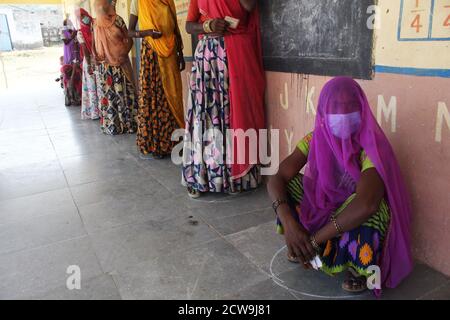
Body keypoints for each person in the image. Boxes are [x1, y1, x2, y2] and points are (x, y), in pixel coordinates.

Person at [267, 77, 413, 294]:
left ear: (361, 109)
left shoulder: (371, 147)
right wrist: (289, 224)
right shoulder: (315, 139)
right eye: (336, 108)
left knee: (374, 209)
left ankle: (354, 266)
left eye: (350, 107)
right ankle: (298, 242)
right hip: (323, 208)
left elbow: (366, 204)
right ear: (324, 112)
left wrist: (315, 240)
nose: (343, 115)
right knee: (290, 185)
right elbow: (276, 178)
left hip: (351, 216)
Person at [182, 0, 265, 198]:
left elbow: (248, 7)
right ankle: (203, 176)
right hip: (207, 60)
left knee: (234, 114)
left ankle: (235, 178)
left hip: (236, 56)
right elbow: (188, 25)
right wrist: (206, 26)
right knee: (207, 115)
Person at [128, 0, 185, 159]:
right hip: (150, 54)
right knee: (153, 99)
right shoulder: (138, 2)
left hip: (171, 53)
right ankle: (156, 145)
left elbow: (175, 27)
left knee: (173, 97)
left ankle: (176, 143)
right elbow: (129, 32)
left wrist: (180, 53)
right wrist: (147, 33)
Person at [92, 0, 137, 135]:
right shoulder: (95, 24)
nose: (101, 8)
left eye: (103, 4)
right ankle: (113, 125)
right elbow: (94, 43)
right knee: (109, 95)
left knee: (124, 94)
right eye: (99, 5)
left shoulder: (118, 20)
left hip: (120, 64)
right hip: (105, 67)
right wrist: (94, 56)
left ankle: (129, 123)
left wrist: (124, 53)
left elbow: (129, 39)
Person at [76, 8, 100, 120]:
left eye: (83, 15)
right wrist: (90, 64)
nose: (82, 18)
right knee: (93, 86)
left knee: (98, 85)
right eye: (80, 16)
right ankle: (95, 112)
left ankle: (100, 110)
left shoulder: (94, 26)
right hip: (90, 60)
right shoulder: (81, 32)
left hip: (98, 59)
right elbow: (85, 49)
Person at [61, 18, 81, 106]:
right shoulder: (63, 32)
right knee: (68, 76)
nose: (70, 24)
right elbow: (66, 42)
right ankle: (68, 96)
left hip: (76, 56)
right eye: (67, 23)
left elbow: (78, 42)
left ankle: (76, 96)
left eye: (70, 22)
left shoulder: (74, 31)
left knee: (77, 75)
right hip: (69, 56)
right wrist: (72, 36)